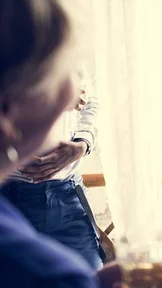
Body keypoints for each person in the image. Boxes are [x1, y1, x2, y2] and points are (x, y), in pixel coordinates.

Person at [0, 0, 162, 287]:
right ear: (8, 108)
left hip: (67, 194)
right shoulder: (45, 268)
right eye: (61, 71)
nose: (76, 93)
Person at [1, 67, 102, 269]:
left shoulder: (73, 53)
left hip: (69, 196)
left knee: (91, 278)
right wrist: (50, 98)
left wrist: (83, 144)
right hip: (13, 200)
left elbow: (91, 101)